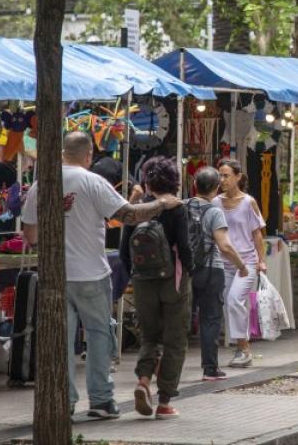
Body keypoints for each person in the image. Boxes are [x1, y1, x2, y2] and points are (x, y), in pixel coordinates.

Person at [20, 131, 182, 418]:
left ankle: (64, 402)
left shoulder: (40, 185)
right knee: (98, 335)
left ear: (61, 153)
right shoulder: (93, 181)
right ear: (89, 155)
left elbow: (31, 236)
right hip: (92, 272)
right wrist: (161, 204)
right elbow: (129, 214)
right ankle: (101, 401)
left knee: (62, 341)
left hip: (56, 275)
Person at [117, 157, 193, 419]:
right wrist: (191, 273)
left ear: (147, 182)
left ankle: (143, 381)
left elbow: (123, 250)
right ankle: (164, 403)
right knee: (174, 341)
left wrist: (133, 276)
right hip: (173, 281)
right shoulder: (177, 208)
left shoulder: (137, 209)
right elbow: (184, 247)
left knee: (149, 337)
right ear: (174, 181)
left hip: (142, 282)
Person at [187, 167, 246, 381]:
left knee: (180, 319)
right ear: (215, 188)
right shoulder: (214, 211)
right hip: (211, 271)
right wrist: (241, 265)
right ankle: (210, 369)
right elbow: (225, 246)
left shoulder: (182, 207)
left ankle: (162, 368)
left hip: (185, 270)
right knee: (210, 319)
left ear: (195, 185)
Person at [214, 158, 266, 368]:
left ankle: (243, 348)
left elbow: (257, 235)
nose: (222, 180)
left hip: (247, 262)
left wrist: (261, 261)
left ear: (238, 177)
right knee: (230, 304)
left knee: (235, 299)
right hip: (224, 262)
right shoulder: (215, 202)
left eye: (226, 175)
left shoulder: (248, 202)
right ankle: (240, 347)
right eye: (220, 175)